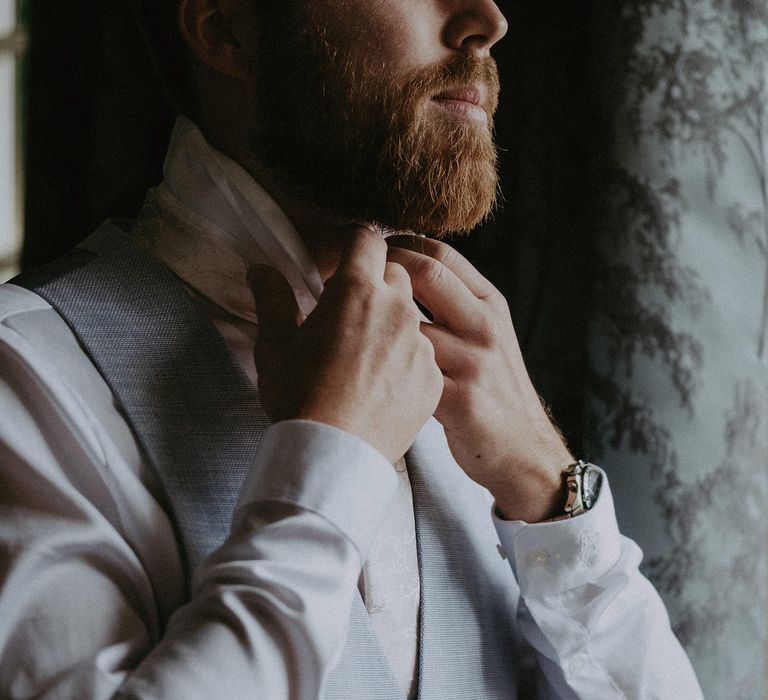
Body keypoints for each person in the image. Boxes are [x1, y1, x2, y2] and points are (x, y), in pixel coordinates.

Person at [0, 1, 703, 698]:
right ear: (224, 28)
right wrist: (331, 461)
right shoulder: (24, 376)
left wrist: (554, 496)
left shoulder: (473, 395)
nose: (487, 20)